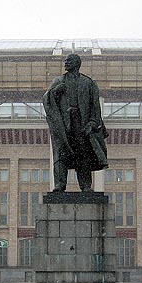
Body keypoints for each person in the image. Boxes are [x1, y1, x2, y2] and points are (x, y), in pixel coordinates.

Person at [42, 54, 108, 192]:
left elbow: (95, 106)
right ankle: (60, 184)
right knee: (61, 154)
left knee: (83, 154)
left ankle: (85, 186)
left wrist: (92, 123)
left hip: (81, 123)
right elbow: (46, 99)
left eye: (69, 61)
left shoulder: (88, 83)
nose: (65, 63)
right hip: (64, 124)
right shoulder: (58, 81)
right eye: (65, 61)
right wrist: (55, 92)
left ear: (77, 63)